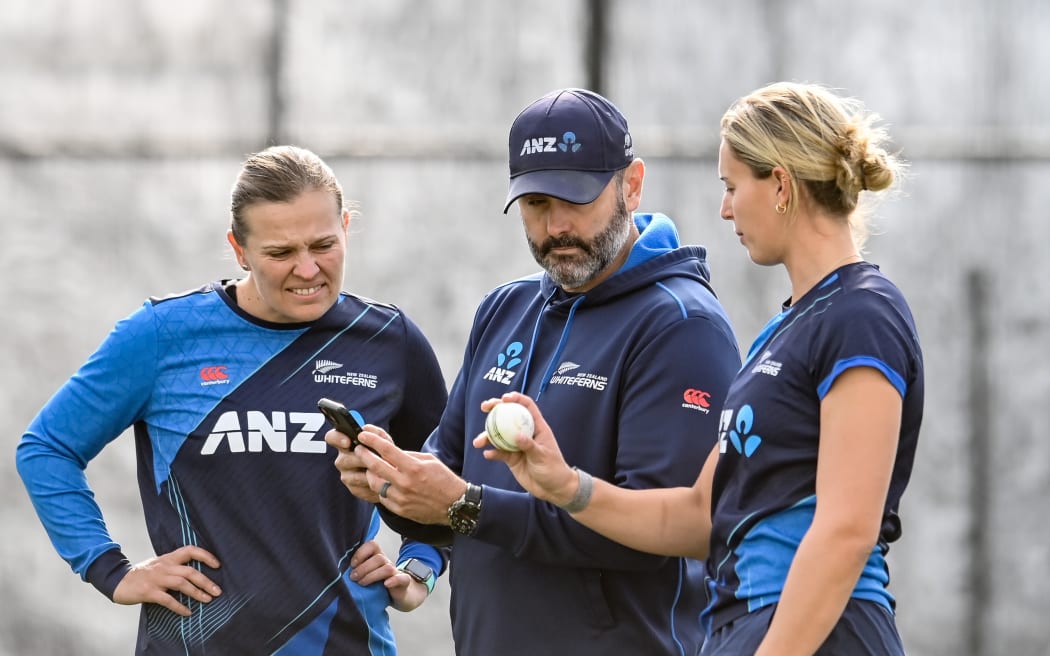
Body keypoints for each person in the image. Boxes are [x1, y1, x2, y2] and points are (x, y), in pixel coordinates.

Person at [477, 81, 924, 656]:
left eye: (733, 186)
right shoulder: (788, 328)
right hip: (752, 629)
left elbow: (846, 531)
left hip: (819, 632)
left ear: (782, 186)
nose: (726, 208)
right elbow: (696, 516)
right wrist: (566, 486)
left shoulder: (862, 313)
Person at [327, 88, 742, 655]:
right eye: (537, 204)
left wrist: (465, 504)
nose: (556, 227)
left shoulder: (681, 325)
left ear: (633, 184)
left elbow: (659, 535)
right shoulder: (505, 308)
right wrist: (394, 483)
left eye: (577, 200)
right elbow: (452, 474)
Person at [15, 145, 449, 654]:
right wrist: (110, 569)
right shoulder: (163, 335)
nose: (308, 270)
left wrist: (419, 568)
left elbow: (448, 473)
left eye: (323, 245)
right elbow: (47, 449)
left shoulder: (389, 341)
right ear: (239, 249)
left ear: (346, 228)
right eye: (281, 252)